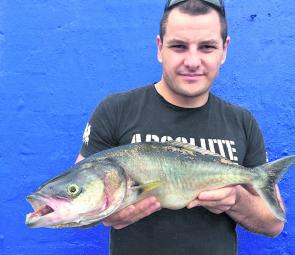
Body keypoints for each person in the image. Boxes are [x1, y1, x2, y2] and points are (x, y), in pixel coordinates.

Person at [76, 0, 285, 254]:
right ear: (160, 48)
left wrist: (236, 200)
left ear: (224, 50)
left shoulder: (242, 122)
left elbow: (274, 224)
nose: (193, 61)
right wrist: (103, 213)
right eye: (179, 46)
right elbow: (79, 193)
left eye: (207, 47)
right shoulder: (115, 110)